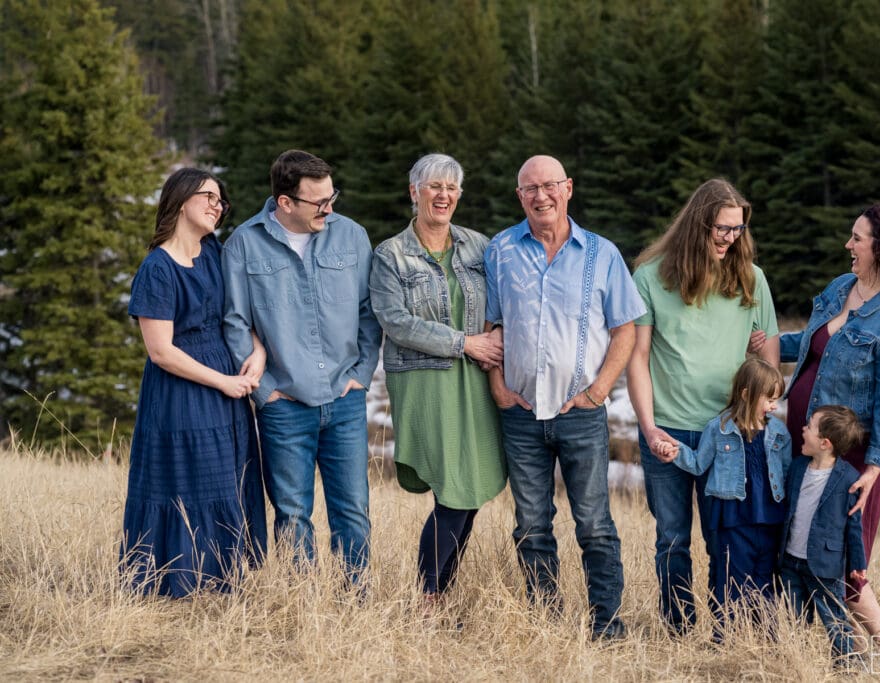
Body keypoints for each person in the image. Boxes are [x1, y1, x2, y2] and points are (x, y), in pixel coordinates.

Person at [484, 154, 647, 640]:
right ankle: (546, 620)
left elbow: (625, 330)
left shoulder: (602, 253)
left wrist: (599, 391)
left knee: (594, 523)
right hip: (521, 413)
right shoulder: (500, 250)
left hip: (581, 413)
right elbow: (491, 324)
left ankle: (606, 622)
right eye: (530, 189)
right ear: (519, 196)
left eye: (550, 185)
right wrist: (498, 387)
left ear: (568, 188)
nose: (541, 196)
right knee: (531, 524)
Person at [626, 178, 780, 634]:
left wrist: (759, 392)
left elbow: (769, 360)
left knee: (723, 539)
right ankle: (679, 627)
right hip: (668, 430)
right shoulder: (650, 277)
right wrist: (649, 427)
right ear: (698, 224)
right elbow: (637, 357)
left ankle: (726, 627)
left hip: (730, 434)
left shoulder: (751, 278)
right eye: (722, 228)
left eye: (738, 229)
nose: (730, 238)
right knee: (672, 539)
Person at [222, 150, 382, 579]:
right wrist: (265, 391)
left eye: (332, 197)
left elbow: (369, 313)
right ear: (285, 202)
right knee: (292, 515)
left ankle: (355, 602)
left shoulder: (352, 236)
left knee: (353, 512)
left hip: (344, 399)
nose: (329, 209)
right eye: (319, 202)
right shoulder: (243, 244)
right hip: (284, 405)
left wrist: (360, 375)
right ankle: (302, 605)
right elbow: (235, 322)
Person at [775, 200, 880, 659]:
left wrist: (874, 469)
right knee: (803, 549)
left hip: (851, 460)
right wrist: (765, 343)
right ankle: (847, 651)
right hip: (807, 445)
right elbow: (812, 343)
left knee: (842, 563)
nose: (848, 245)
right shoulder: (841, 287)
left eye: (857, 238)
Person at [121, 168, 267, 597]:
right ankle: (177, 580)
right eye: (208, 197)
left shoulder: (214, 252)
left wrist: (257, 351)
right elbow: (160, 351)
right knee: (188, 478)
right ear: (182, 200)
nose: (217, 206)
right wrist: (221, 382)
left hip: (226, 388)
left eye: (221, 200)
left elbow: (238, 314)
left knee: (226, 478)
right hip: (181, 391)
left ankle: (223, 579)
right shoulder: (157, 268)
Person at [369, 154, 506, 605]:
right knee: (454, 486)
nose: (443, 195)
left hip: (477, 379)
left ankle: (439, 592)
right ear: (415, 192)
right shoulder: (390, 254)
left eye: (451, 187)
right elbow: (395, 321)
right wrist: (465, 343)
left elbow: (501, 302)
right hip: (425, 381)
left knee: (471, 485)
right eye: (434, 186)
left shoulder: (478, 246)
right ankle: (427, 593)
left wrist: (496, 335)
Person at [656, 358, 792, 633]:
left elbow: (787, 473)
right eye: (769, 400)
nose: (774, 406)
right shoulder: (718, 429)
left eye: (776, 400)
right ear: (747, 394)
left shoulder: (778, 432)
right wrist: (675, 451)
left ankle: (766, 638)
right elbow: (698, 463)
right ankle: (726, 637)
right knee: (732, 579)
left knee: (765, 578)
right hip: (733, 518)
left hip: (769, 517)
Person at [778, 405, 868, 668]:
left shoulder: (849, 478)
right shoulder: (797, 467)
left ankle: (847, 663)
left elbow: (854, 526)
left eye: (809, 427)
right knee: (792, 616)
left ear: (825, 443)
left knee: (834, 618)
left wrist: (857, 564)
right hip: (791, 559)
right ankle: (796, 662)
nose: (803, 429)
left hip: (825, 565)